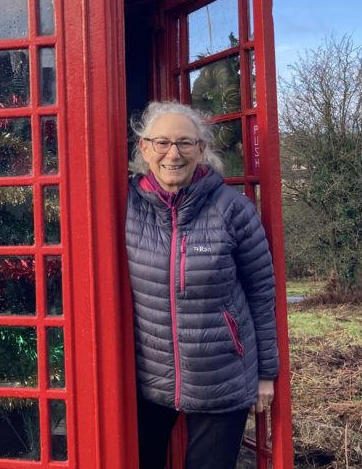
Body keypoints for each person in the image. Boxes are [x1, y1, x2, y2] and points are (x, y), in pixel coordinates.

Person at [126, 101, 278, 469]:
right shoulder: (123, 205)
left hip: (222, 379)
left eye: (184, 143)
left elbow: (261, 294)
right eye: (161, 143)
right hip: (147, 380)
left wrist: (266, 375)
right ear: (144, 148)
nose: (172, 154)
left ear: (201, 149)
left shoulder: (232, 209)